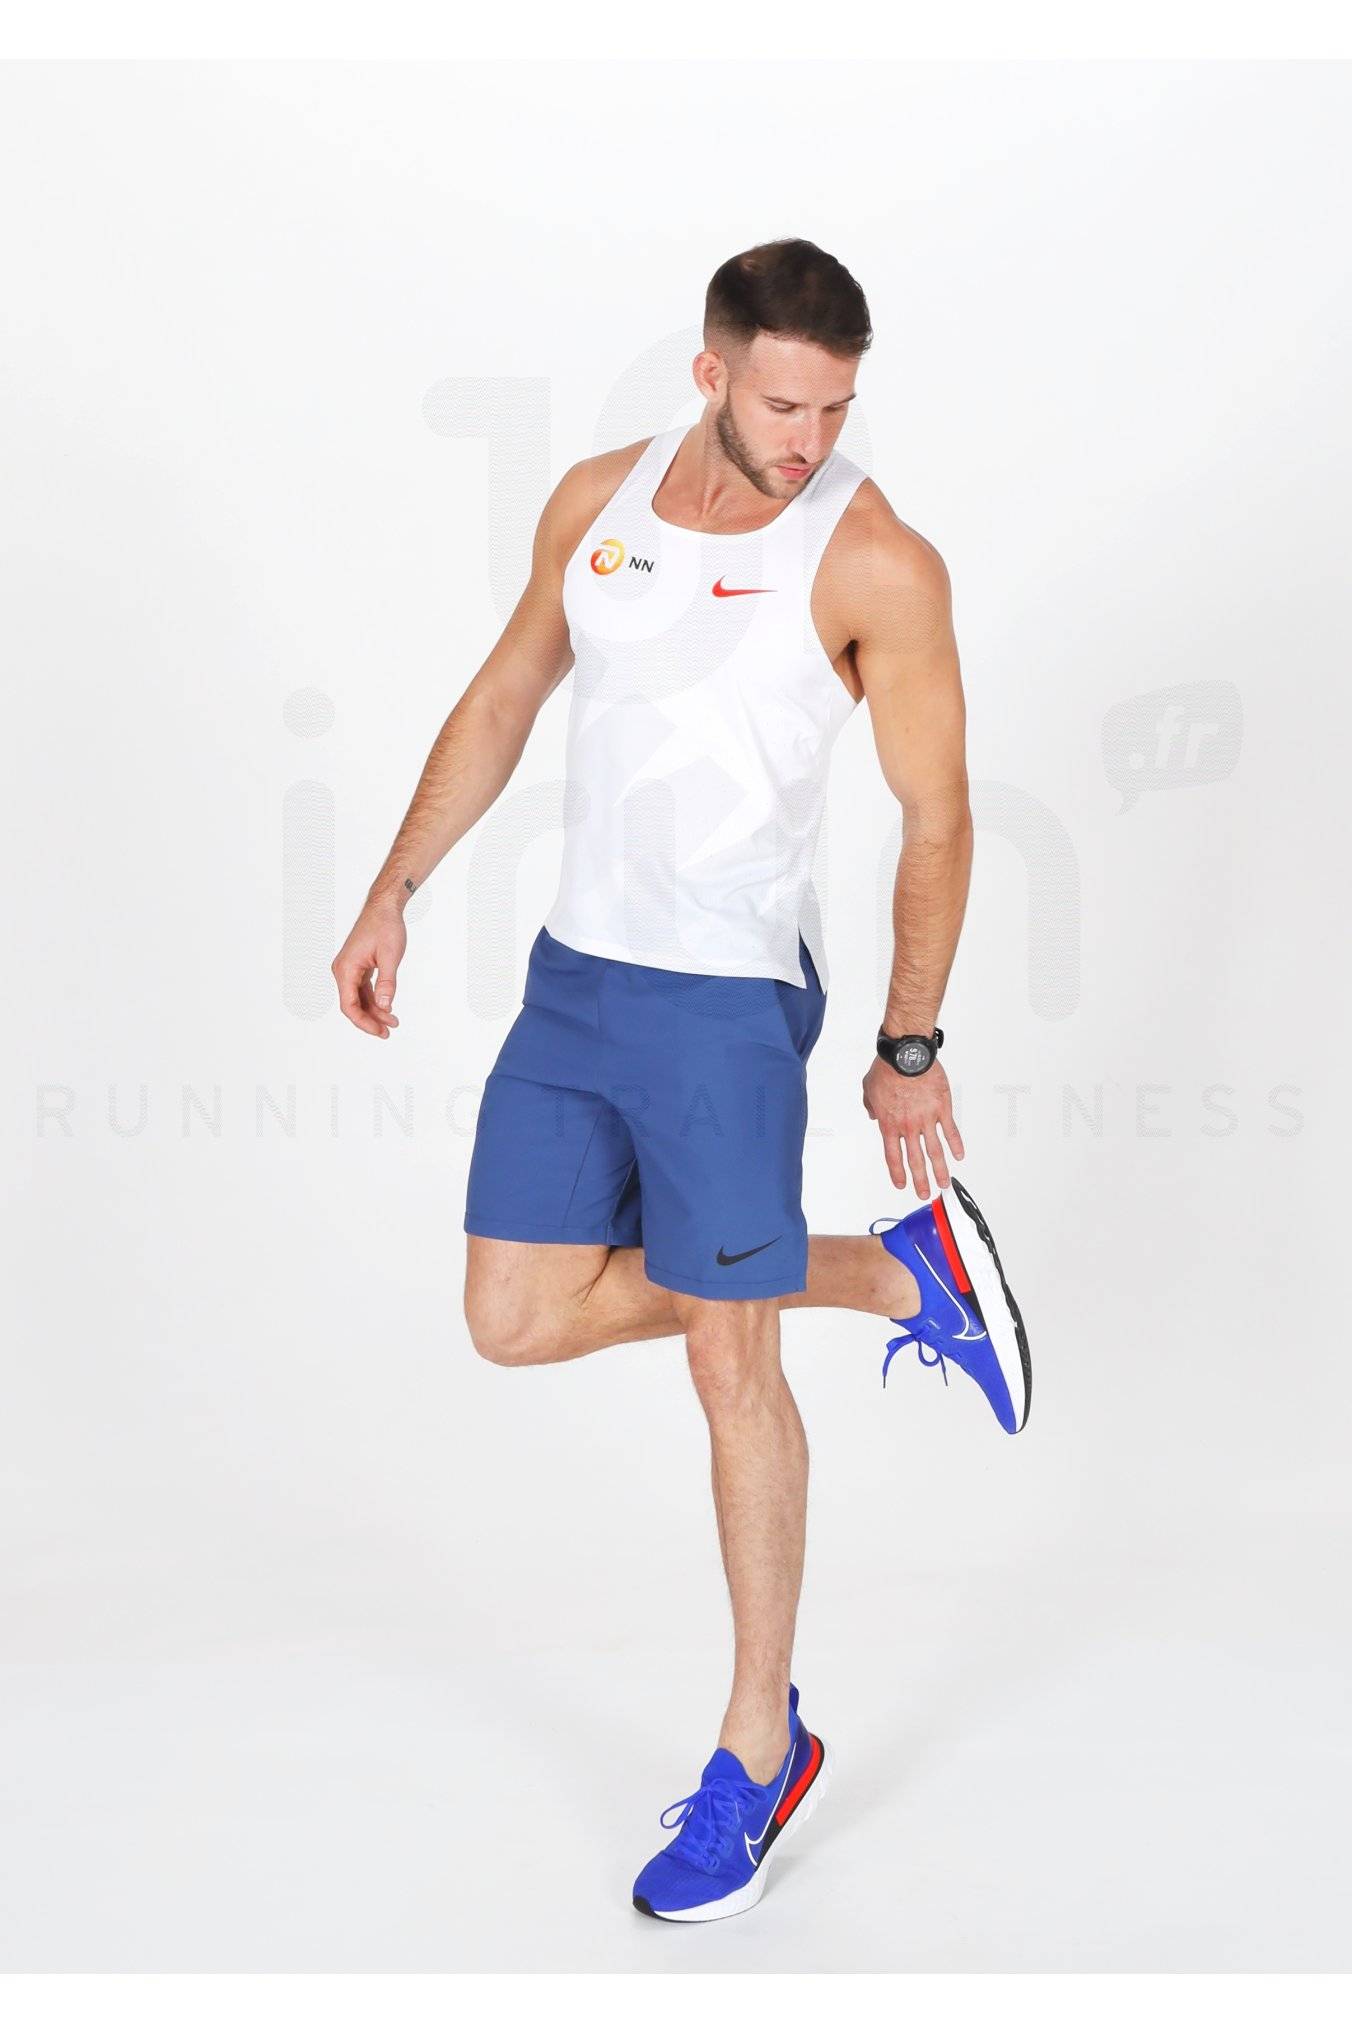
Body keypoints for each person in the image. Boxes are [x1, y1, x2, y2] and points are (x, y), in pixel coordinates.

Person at [332, 237, 1031, 1924]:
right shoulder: (598, 501)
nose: (810, 438)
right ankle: (897, 1272)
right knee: (512, 1313)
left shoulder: (875, 560)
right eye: (783, 403)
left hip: (729, 1000)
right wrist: (394, 885)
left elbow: (939, 814)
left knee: (732, 1360)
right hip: (576, 982)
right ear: (710, 372)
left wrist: (909, 1043)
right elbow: (509, 689)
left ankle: (757, 1747)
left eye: (836, 407)